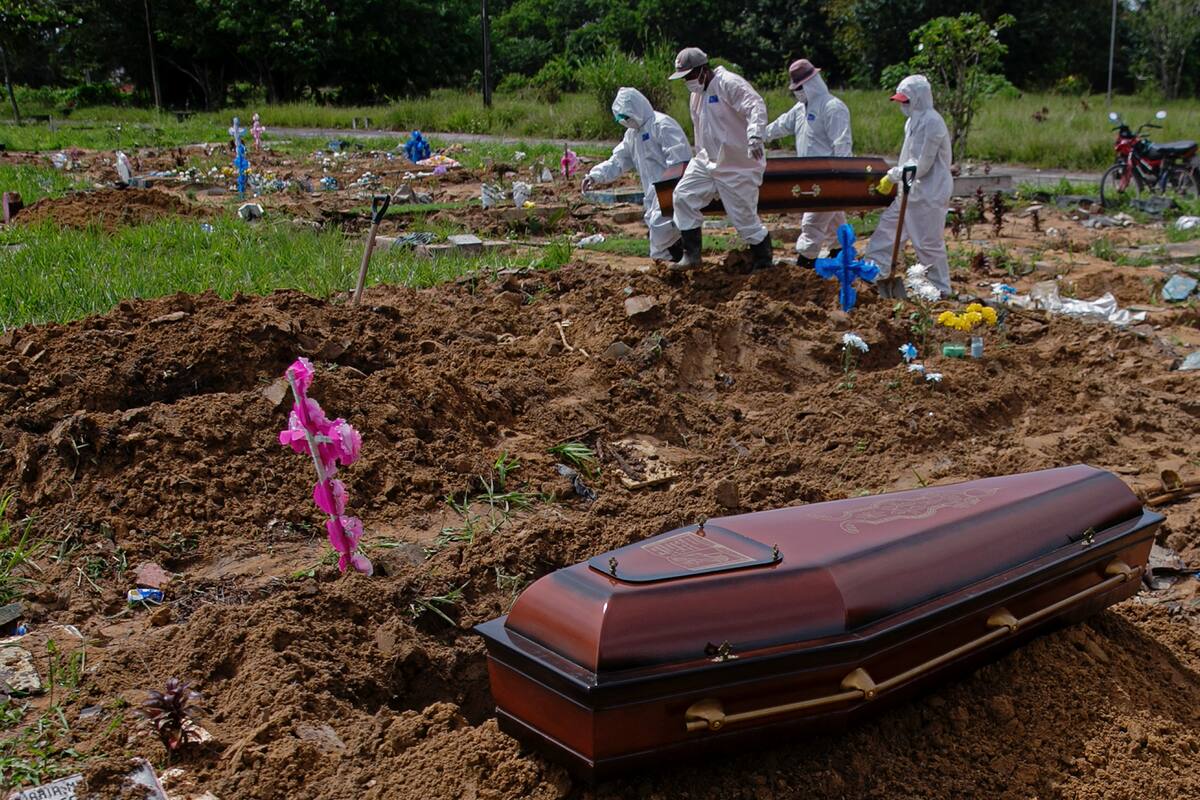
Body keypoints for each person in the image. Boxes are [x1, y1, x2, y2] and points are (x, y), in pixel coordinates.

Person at [667, 47, 773, 270]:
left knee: (744, 220)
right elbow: (700, 130)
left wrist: (755, 134)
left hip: (737, 164)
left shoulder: (728, 83)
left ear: (703, 69)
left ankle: (764, 262)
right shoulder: (696, 95)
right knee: (683, 196)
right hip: (706, 161)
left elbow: (755, 105)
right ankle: (691, 255)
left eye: (689, 75)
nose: (687, 81)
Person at [864, 74, 953, 298]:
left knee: (927, 244)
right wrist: (899, 178)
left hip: (930, 193)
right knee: (887, 231)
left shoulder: (933, 122)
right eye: (901, 101)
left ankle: (939, 290)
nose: (902, 105)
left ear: (919, 98)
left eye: (906, 101)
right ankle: (874, 274)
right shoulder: (912, 121)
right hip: (909, 190)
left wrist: (893, 175)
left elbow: (921, 165)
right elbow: (908, 158)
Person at [582, 87, 693, 262]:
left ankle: (666, 266)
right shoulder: (632, 135)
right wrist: (594, 175)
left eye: (626, 117)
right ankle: (678, 262)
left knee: (660, 231)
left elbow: (680, 160)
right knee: (662, 232)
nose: (624, 121)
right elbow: (617, 161)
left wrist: (668, 189)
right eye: (620, 119)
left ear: (636, 108)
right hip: (653, 195)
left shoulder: (661, 125)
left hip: (672, 188)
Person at [763, 59, 852, 266]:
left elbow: (842, 144)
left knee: (812, 222)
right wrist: (756, 136)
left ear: (811, 83)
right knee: (834, 222)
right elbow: (779, 126)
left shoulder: (832, 107)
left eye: (800, 88)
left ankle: (805, 263)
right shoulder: (799, 109)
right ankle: (841, 257)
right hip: (810, 176)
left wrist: (842, 178)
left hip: (828, 177)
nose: (797, 92)